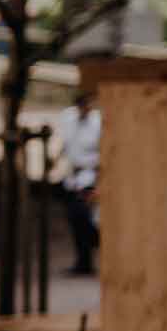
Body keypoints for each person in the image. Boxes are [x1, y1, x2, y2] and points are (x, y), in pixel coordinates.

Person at [54, 88, 101, 275]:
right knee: (75, 220)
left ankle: (95, 244)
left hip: (90, 175)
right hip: (72, 177)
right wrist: (55, 160)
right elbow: (64, 144)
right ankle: (83, 261)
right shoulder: (68, 119)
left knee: (84, 217)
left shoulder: (98, 122)